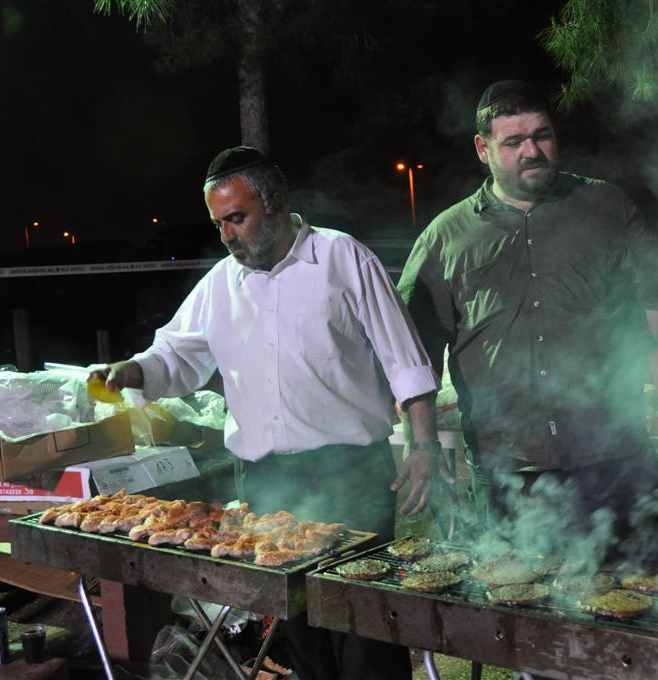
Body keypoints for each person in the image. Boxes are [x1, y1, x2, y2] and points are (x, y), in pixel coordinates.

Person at [91, 146, 441, 680]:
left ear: (276, 203)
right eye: (219, 224)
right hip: (268, 484)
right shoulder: (220, 284)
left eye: (237, 219)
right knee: (300, 631)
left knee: (364, 627)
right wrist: (130, 370)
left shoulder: (342, 257)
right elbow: (174, 355)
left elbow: (406, 362)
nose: (227, 236)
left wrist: (424, 447)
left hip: (350, 474)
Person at [398, 81, 658, 572]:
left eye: (542, 136)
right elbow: (415, 355)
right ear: (483, 148)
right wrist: (421, 443)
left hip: (615, 455)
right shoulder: (446, 237)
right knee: (529, 614)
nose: (532, 151)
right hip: (511, 465)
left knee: (645, 602)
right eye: (513, 142)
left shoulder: (605, 206)